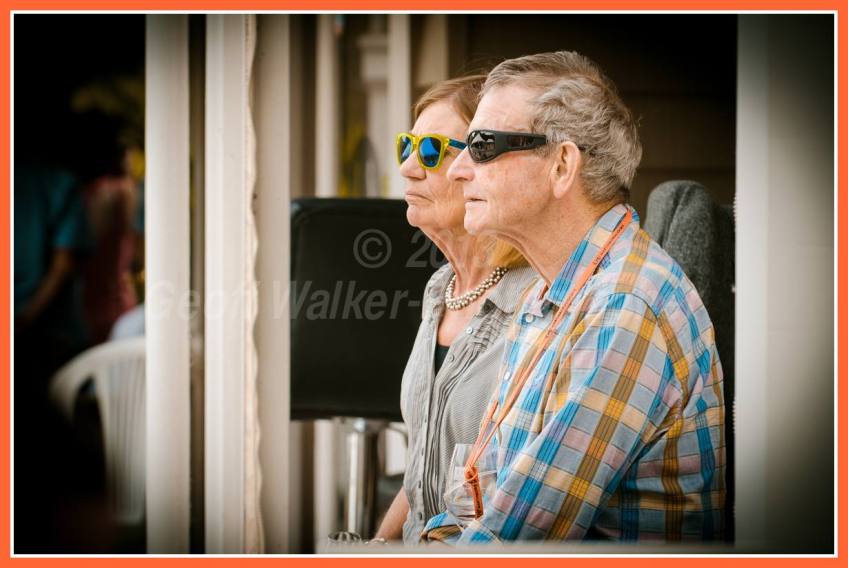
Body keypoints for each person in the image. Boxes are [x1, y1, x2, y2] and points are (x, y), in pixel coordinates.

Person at [422, 51, 725, 544]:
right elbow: (478, 499)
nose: (456, 170)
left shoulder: (624, 307)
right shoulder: (549, 293)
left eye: (481, 145)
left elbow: (514, 543)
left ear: (562, 165)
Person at [372, 75, 538, 544]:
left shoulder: (536, 301)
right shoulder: (439, 289)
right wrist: (378, 546)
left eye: (431, 151)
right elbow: (424, 472)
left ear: (481, 164)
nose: (407, 167)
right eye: (406, 146)